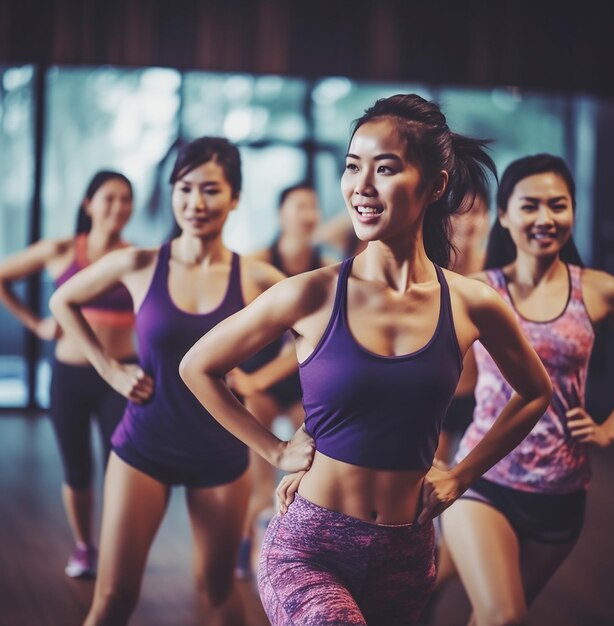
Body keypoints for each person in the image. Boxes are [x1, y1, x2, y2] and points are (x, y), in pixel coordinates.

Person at [180, 93, 553, 626]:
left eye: (386, 168)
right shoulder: (309, 294)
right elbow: (198, 366)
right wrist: (275, 449)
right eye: (353, 167)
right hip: (310, 547)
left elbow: (535, 392)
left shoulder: (472, 303)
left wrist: (463, 475)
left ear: (436, 186)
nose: (362, 186)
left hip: (406, 553)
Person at [49, 137, 312, 626]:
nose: (195, 203)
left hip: (221, 452)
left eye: (211, 190)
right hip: (144, 445)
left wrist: (257, 380)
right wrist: (111, 369)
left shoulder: (254, 276)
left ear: (234, 198)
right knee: (113, 598)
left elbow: (315, 337)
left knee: (216, 592)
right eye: (184, 188)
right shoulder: (140, 263)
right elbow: (62, 300)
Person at [440, 153, 614, 626]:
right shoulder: (478, 291)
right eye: (529, 206)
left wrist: (609, 429)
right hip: (481, 479)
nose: (545, 218)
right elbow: (432, 377)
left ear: (573, 211)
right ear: (505, 215)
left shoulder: (601, 292)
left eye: (557, 205)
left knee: (492, 617)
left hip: (562, 493)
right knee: (503, 615)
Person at [0, 170, 135, 579]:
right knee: (77, 470)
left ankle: (115, 547)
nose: (118, 207)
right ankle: (84, 547)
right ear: (88, 204)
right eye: (108, 198)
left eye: (126, 199)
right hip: (70, 376)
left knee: (121, 471)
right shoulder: (60, 250)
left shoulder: (135, 257)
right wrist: (36, 324)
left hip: (121, 378)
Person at [229, 182, 333, 580]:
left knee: (317, 460)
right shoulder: (256, 264)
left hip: (302, 383)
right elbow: (234, 328)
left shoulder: (325, 269)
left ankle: (308, 546)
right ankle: (246, 540)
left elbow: (311, 341)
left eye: (312, 207)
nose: (307, 214)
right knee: (258, 480)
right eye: (298, 206)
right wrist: (249, 381)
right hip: (260, 379)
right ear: (281, 214)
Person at [434, 184, 491, 468]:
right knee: (431, 478)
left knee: (474, 481)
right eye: (459, 213)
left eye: (476, 212)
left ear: (489, 218)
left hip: (483, 399)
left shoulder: (498, 276)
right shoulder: (432, 273)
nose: (468, 221)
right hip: (438, 398)